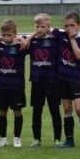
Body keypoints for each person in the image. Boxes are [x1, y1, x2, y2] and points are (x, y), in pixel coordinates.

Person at [19, 14, 64, 147]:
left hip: (52, 81)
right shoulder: (32, 42)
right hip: (37, 81)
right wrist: (31, 36)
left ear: (48, 27)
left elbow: (64, 33)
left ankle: (57, 139)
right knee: (37, 111)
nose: (39, 29)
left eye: (42, 26)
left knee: (54, 110)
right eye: (37, 26)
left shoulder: (56, 40)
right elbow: (22, 46)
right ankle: (36, 139)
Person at [55, 11, 80, 149]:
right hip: (62, 78)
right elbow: (42, 30)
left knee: (79, 109)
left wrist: (72, 39)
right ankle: (69, 140)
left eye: (72, 25)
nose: (69, 28)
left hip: (76, 79)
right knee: (66, 108)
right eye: (66, 25)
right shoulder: (60, 34)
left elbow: (78, 56)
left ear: (79, 25)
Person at [0, 20, 27, 148]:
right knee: (2, 112)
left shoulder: (21, 46)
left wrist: (20, 38)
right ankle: (3, 138)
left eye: (9, 35)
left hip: (17, 86)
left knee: (17, 111)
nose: (6, 38)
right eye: (3, 35)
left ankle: (17, 138)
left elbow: (34, 37)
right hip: (1, 85)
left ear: (15, 34)